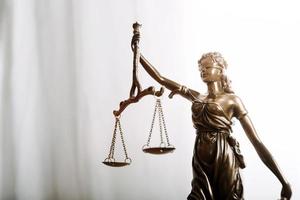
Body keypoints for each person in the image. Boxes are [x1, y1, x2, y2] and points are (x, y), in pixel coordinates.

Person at [137, 51, 292, 200]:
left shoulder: (232, 100)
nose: (203, 71)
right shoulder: (197, 96)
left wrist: (284, 182)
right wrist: (137, 53)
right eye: (201, 69)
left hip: (223, 157)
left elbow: (256, 142)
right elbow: (161, 79)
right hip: (200, 156)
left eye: (207, 67)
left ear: (220, 71)